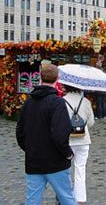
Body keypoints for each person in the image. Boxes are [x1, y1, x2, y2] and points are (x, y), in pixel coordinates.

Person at [16, 64, 76, 205]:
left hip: (33, 161)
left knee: (32, 199)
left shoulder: (28, 102)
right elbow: (60, 134)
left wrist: (31, 149)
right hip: (55, 163)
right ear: (57, 79)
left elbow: (20, 132)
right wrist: (68, 153)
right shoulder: (57, 102)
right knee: (66, 197)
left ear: (40, 77)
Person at [63, 85, 95, 204]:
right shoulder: (86, 101)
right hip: (83, 140)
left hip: (67, 141)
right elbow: (91, 122)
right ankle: (80, 199)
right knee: (80, 169)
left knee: (65, 170)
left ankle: (66, 197)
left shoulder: (62, 101)